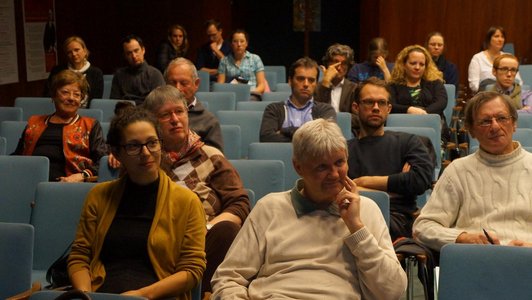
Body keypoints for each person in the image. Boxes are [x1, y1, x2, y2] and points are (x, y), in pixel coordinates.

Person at [212, 118, 407, 299]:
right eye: (322, 167)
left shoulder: (366, 211)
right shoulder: (270, 208)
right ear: (298, 167)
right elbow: (228, 278)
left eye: (339, 163)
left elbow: (392, 291)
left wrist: (356, 227)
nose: (334, 174)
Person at [68, 106, 206, 299]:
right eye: (133, 146)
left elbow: (192, 270)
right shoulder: (98, 196)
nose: (146, 153)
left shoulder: (187, 202)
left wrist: (140, 296)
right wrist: (86, 296)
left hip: (157, 296)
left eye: (152, 143)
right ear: (117, 153)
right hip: (101, 294)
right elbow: (80, 256)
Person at [143, 85, 250, 298]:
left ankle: (207, 294)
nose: (175, 119)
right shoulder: (145, 160)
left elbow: (240, 204)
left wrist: (207, 227)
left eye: (179, 111)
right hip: (158, 240)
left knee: (227, 230)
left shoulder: (211, 155)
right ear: (153, 121)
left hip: (205, 239)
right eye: (166, 114)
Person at [413, 91, 532, 251]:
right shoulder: (458, 171)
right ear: (471, 130)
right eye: (485, 121)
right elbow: (423, 227)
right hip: (476, 261)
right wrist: (462, 238)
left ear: (514, 123)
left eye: (502, 118)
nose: (495, 126)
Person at [348, 77, 434, 241]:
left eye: (381, 103)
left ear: (388, 108)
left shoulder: (408, 142)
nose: (375, 108)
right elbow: (338, 191)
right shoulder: (344, 149)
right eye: (368, 102)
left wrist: (363, 182)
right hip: (351, 215)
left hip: (396, 219)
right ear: (355, 107)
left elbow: (420, 180)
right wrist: (395, 188)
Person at [13, 70, 107, 182]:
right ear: (53, 95)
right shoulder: (34, 122)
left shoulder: (90, 125)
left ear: (81, 99)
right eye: (65, 92)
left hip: (69, 186)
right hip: (29, 180)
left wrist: (82, 176)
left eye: (77, 94)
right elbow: (17, 156)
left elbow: (102, 160)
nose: (71, 98)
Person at [260, 57, 336, 142]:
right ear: (290, 81)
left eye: (311, 80)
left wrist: (285, 131)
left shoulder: (325, 110)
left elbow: (328, 139)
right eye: (300, 79)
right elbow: (266, 138)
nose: (306, 84)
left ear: (316, 84)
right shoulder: (273, 109)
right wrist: (311, 137)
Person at [389, 45, 448, 141]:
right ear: (403, 64)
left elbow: (441, 102)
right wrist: (408, 109)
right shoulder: (393, 85)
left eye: (422, 64)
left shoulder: (435, 82)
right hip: (401, 132)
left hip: (432, 129)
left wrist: (422, 114)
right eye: (413, 63)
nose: (417, 67)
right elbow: (390, 105)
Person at [164, 57, 224, 151]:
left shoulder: (209, 122)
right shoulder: (156, 116)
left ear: (196, 84)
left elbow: (215, 161)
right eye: (172, 83)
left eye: (183, 83)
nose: (177, 88)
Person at [44, 36, 104, 107]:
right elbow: (48, 94)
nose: (74, 54)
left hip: (87, 113)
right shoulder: (57, 71)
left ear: (85, 51)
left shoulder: (96, 73)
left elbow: (96, 101)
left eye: (76, 50)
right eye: (69, 52)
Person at [110, 34, 165, 105]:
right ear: (125, 56)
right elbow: (113, 103)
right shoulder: (119, 75)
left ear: (143, 50)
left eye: (136, 51)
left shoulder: (155, 74)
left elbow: (160, 103)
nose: (134, 56)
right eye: (129, 53)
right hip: (125, 113)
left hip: (148, 113)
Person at [468, 26, 523, 93]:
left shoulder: (509, 57)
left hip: (509, 94)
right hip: (486, 96)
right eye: (496, 36)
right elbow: (474, 85)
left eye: (502, 37)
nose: (500, 39)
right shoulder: (477, 58)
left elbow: (519, 81)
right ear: (489, 39)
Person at [217, 29, 266, 101]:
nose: (239, 44)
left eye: (242, 41)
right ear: (231, 44)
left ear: (246, 43)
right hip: (231, 95)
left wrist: (248, 92)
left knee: (249, 100)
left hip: (251, 94)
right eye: (235, 41)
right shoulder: (224, 61)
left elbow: (262, 85)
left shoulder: (255, 59)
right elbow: (220, 85)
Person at [314, 43, 357, 113]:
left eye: (343, 63)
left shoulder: (354, 89)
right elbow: (316, 112)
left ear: (348, 66)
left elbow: (358, 118)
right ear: (327, 64)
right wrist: (325, 83)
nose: (339, 68)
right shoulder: (316, 87)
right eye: (335, 62)